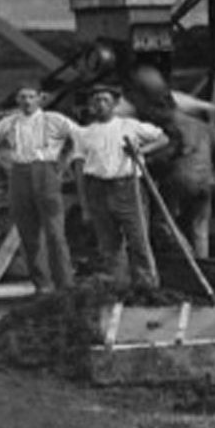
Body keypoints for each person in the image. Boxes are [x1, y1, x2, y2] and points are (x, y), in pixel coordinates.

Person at [0, 83, 79, 292]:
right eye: (22, 97)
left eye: (31, 96)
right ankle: (42, 285)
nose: (27, 101)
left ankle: (65, 284)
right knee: (28, 233)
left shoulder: (54, 119)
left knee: (55, 233)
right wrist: (2, 162)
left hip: (47, 172)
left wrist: (64, 162)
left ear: (40, 98)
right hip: (19, 173)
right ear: (17, 100)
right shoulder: (10, 121)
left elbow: (80, 138)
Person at [68, 84, 167, 287]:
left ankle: (147, 287)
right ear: (91, 105)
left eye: (105, 100)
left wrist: (142, 151)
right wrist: (85, 204)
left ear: (114, 104)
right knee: (108, 244)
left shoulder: (129, 126)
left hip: (128, 187)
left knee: (138, 240)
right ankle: (119, 287)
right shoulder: (84, 133)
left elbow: (163, 138)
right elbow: (79, 169)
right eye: (96, 100)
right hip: (98, 189)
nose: (101, 104)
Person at [133, 67, 215, 261]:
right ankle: (204, 265)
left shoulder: (169, 127)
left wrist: (147, 162)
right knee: (199, 228)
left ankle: (187, 258)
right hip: (206, 181)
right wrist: (212, 169)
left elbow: (168, 153)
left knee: (163, 223)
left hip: (178, 180)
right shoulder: (203, 126)